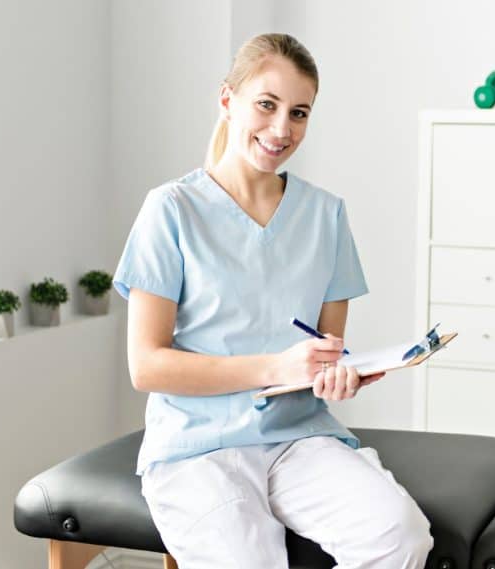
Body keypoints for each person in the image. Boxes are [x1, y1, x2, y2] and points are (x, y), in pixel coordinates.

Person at [113, 33, 433, 568]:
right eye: (267, 104)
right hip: (199, 447)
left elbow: (328, 350)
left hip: (297, 436)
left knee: (400, 537)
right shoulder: (170, 210)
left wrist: (339, 373)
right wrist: (274, 366)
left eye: (299, 112)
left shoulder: (326, 216)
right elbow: (146, 366)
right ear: (227, 100)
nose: (282, 129)